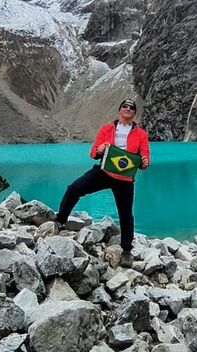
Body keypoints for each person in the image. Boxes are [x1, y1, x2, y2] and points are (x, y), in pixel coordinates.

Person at [56, 98, 150, 267]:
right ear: (119, 110)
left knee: (126, 214)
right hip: (104, 172)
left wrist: (144, 162)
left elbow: (145, 159)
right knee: (73, 189)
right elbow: (94, 151)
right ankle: (60, 220)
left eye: (131, 107)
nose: (128, 109)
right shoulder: (107, 128)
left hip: (124, 179)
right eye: (125, 106)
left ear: (135, 113)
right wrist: (99, 150)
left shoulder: (141, 134)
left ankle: (126, 251)